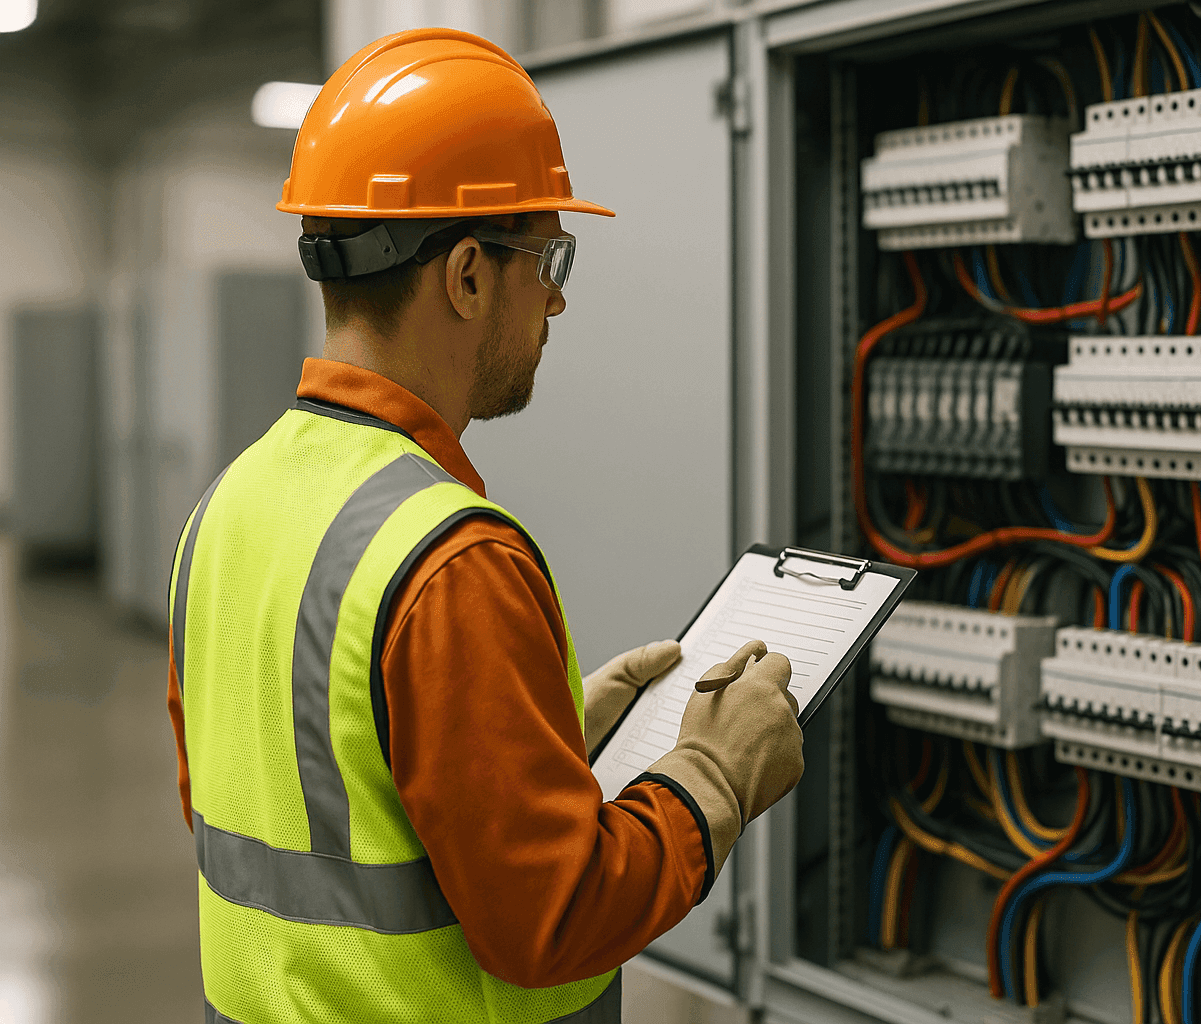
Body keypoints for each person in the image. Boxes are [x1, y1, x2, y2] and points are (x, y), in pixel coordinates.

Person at [165, 27, 804, 1024]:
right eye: (545, 255)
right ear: (466, 274)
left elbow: (302, 806)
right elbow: (555, 922)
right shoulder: (452, 560)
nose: (554, 296)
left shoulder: (229, 504)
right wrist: (715, 774)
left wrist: (543, 742)